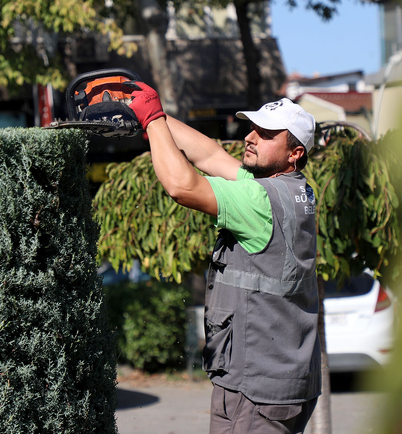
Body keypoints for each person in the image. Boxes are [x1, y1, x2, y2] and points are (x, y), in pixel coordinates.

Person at [128, 82, 321, 434]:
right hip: (285, 377)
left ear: (294, 153)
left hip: (256, 389)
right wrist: (148, 114)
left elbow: (182, 185)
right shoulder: (294, 190)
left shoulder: (258, 201)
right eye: (253, 128)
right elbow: (209, 156)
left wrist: (152, 118)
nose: (250, 137)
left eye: (266, 134)